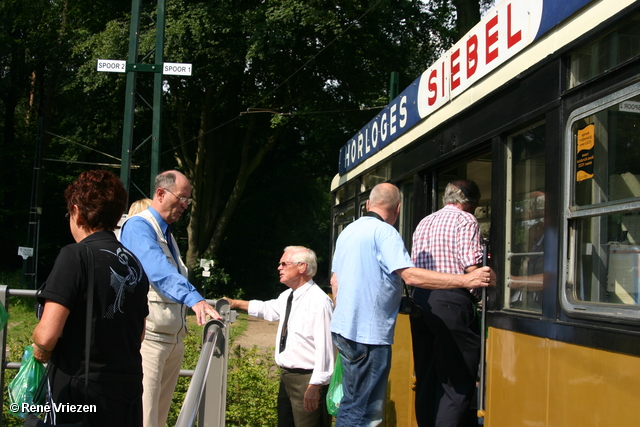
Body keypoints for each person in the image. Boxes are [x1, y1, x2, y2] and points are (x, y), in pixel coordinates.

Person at [330, 182, 490, 427]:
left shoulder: (348, 232)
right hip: (369, 335)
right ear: (398, 208)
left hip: (345, 329)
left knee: (352, 403)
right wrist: (466, 279)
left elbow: (336, 282)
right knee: (366, 412)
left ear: (368, 204)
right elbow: (410, 275)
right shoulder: (385, 232)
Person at [32, 170, 149, 426]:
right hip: (127, 394)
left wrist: (38, 350)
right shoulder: (134, 263)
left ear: (77, 212)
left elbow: (47, 334)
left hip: (80, 394)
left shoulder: (75, 255)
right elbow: (138, 333)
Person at [119, 170, 222, 427]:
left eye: (189, 200)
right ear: (161, 193)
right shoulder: (139, 226)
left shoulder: (168, 234)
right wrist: (194, 299)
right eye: (182, 198)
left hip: (171, 341)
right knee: (145, 419)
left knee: (158, 419)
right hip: (150, 341)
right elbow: (158, 270)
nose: (185, 205)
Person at [225, 246, 334, 427]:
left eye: (284, 263)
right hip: (287, 378)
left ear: (302, 267)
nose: (279, 267)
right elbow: (267, 309)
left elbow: (326, 347)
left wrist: (315, 385)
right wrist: (235, 303)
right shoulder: (289, 296)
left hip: (307, 380)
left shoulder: (319, 302)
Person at [410, 179, 484, 427]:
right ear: (470, 203)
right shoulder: (466, 220)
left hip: (420, 301)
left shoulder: (424, 222)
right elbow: (471, 267)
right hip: (452, 302)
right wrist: (481, 296)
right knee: (456, 383)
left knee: (427, 379)